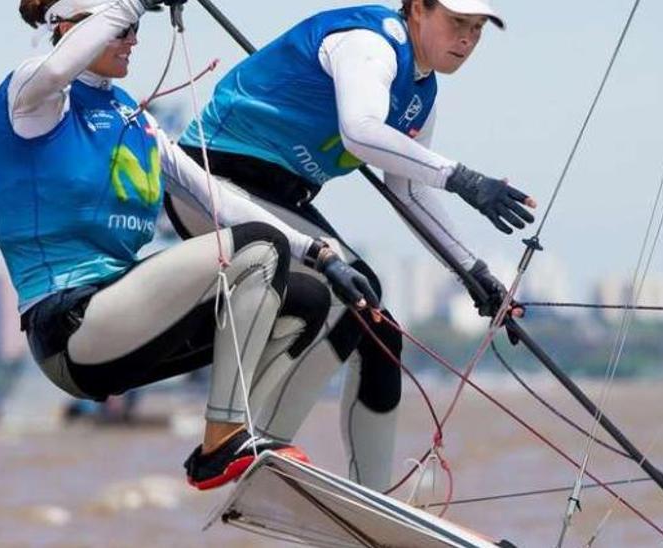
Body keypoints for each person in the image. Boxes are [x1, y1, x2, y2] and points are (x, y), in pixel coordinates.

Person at [0, 0, 380, 491]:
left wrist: (319, 253)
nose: (134, 38)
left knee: (309, 298)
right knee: (257, 249)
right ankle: (224, 438)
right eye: (123, 28)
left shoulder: (131, 116)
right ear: (69, 26)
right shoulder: (33, 95)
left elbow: (215, 196)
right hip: (69, 327)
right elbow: (58, 66)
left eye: (136, 29)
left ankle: (256, 451)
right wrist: (132, 2)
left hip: (125, 329)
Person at [166, 0, 534, 490]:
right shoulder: (371, 43)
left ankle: (377, 498)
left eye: (477, 29)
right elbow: (360, 132)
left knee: (382, 332)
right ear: (417, 9)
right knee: (359, 296)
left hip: (276, 196)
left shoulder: (422, 93)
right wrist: (463, 178)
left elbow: (408, 189)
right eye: (456, 23)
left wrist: (474, 272)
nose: (466, 39)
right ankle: (253, 453)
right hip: (213, 182)